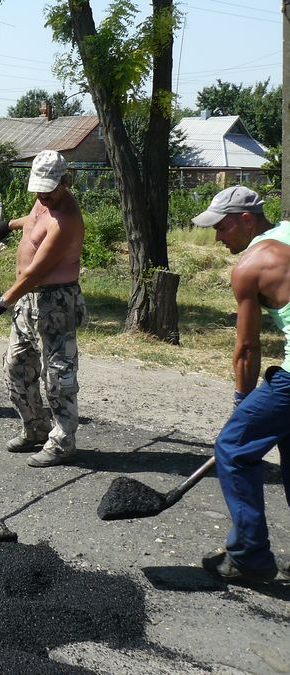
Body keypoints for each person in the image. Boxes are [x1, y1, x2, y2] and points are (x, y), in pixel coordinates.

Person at [191, 186, 289, 583]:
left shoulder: (250, 265)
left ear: (247, 220)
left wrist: (242, 402)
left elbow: (247, 349)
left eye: (223, 227)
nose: (217, 237)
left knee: (233, 446)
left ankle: (249, 556)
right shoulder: (286, 232)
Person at [0, 150, 86, 468]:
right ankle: (35, 428)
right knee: (16, 366)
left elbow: (36, 273)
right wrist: (9, 224)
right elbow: (35, 220)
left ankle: (62, 441)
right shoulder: (45, 199)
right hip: (28, 301)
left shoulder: (66, 219)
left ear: (65, 182)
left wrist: (0, 303)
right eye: (39, 188)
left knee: (58, 375)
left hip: (56, 303)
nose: (43, 195)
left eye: (49, 189)